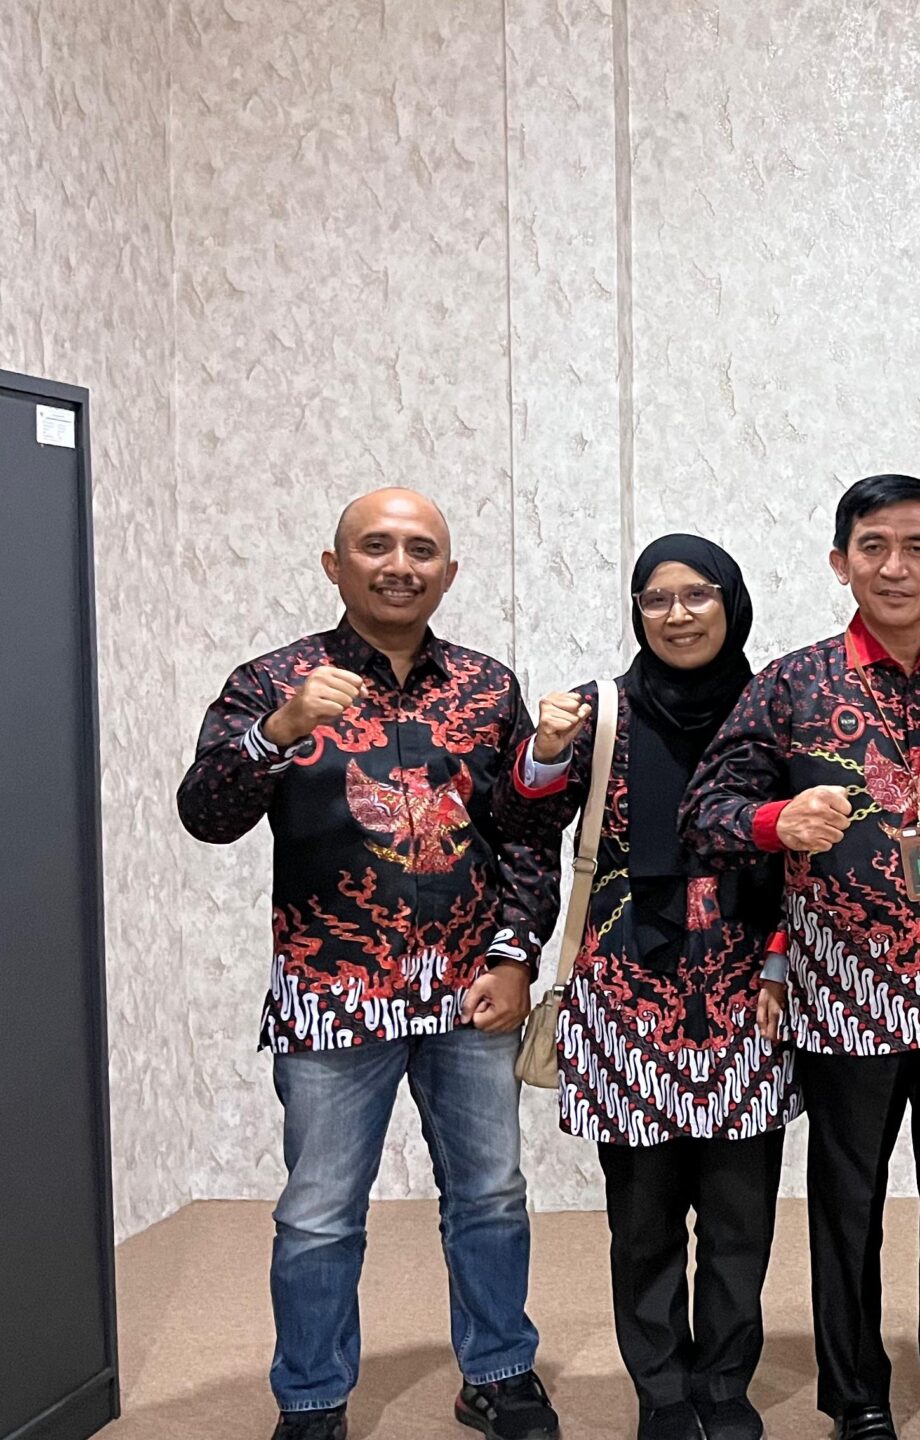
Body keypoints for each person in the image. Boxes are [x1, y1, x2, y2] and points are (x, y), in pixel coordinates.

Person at [176, 489, 563, 1440]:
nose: (400, 566)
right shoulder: (274, 680)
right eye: (377, 546)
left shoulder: (486, 686)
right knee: (318, 1212)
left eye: (422, 550)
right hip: (332, 991)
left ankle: (498, 1373)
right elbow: (206, 814)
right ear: (334, 564)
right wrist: (278, 731)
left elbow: (525, 830)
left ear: (449, 572)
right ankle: (311, 1398)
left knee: (490, 1195)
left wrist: (517, 955)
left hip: (469, 990)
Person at [683, 476, 920, 1440]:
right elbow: (705, 812)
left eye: (917, 547)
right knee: (847, 1203)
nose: (896, 566)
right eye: (874, 546)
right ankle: (855, 1395)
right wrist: (776, 820)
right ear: (840, 562)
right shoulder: (793, 684)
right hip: (843, 985)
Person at [505, 535, 793, 1440]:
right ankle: (662, 1389)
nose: (677, 615)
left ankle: (725, 1384)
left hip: (747, 994)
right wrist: (544, 753)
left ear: (730, 603)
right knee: (643, 1219)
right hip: (625, 997)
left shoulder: (776, 704)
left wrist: (785, 961)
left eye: (697, 595)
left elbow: (808, 851)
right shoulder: (598, 711)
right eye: (656, 599)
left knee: (741, 1217)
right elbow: (522, 822)